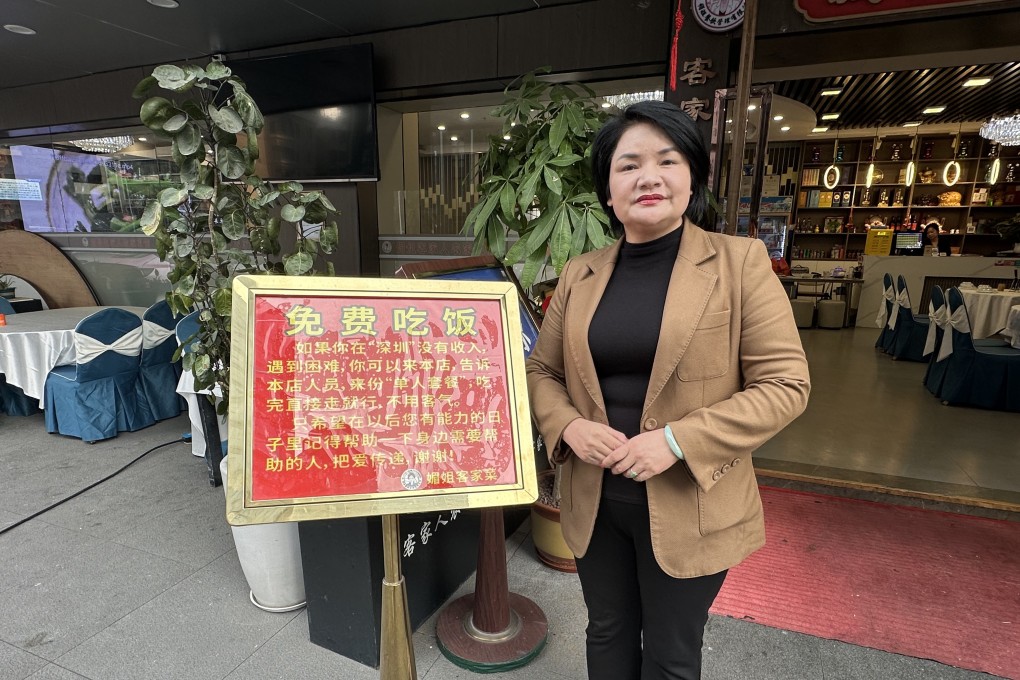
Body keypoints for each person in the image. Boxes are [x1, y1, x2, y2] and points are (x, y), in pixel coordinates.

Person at [526, 100, 811, 680]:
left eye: (667, 160)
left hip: (693, 501)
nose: (648, 177)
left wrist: (676, 441)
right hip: (596, 499)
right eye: (628, 165)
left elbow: (785, 384)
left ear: (692, 178)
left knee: (671, 652)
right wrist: (569, 426)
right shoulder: (581, 273)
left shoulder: (739, 263)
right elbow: (541, 372)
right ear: (608, 190)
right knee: (605, 631)